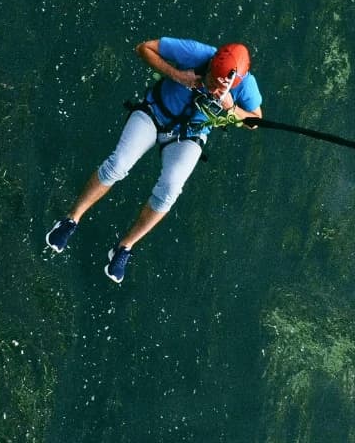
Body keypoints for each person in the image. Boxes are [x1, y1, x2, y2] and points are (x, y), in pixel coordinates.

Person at [44, 37, 263, 283]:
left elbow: (256, 120)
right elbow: (143, 47)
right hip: (154, 113)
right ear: (211, 64)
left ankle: (124, 248)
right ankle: (71, 219)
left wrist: (232, 109)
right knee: (118, 164)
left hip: (188, 135)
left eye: (218, 86)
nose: (212, 87)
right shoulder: (196, 53)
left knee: (170, 190)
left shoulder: (246, 86)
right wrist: (177, 75)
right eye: (211, 78)